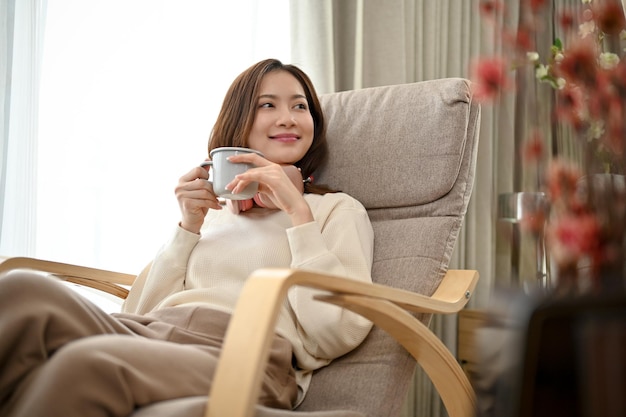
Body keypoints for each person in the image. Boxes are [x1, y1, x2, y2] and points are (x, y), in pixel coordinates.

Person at [0, 58, 374, 417]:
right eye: (267, 105)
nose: (288, 118)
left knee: (84, 366)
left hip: (245, 354)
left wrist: (298, 214)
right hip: (152, 334)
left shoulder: (334, 210)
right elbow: (139, 313)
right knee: (21, 291)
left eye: (300, 106)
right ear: (238, 122)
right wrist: (187, 229)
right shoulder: (211, 212)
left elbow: (338, 332)